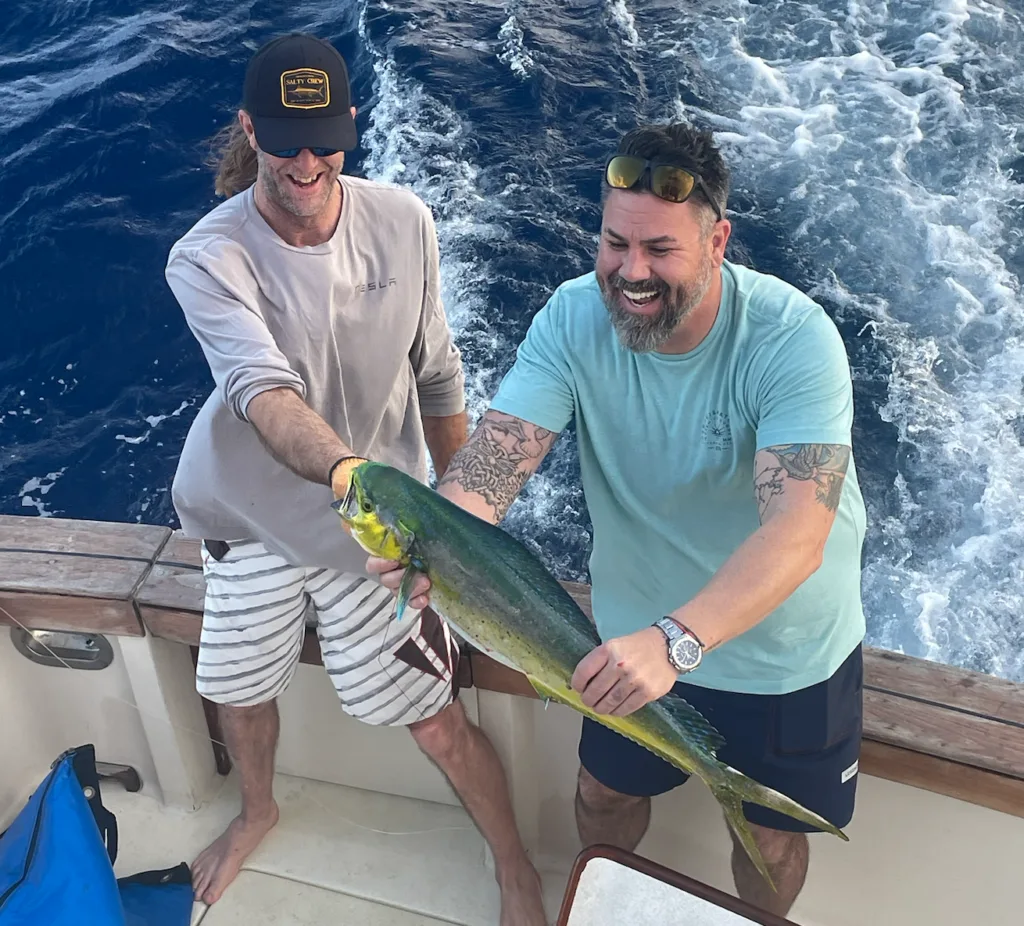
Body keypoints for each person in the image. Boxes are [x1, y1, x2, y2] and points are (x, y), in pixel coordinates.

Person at [369, 121, 867, 918]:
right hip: (626, 643)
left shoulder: (791, 339)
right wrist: (434, 542)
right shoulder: (573, 319)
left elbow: (797, 534)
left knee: (770, 839)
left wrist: (675, 642)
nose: (631, 272)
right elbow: (493, 464)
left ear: (717, 243)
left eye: (660, 249)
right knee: (602, 794)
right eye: (615, 243)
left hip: (781, 652)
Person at [165, 32, 546, 925]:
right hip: (252, 518)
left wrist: (461, 520)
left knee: (434, 717)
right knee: (236, 694)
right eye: (284, 142)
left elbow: (439, 377)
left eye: (324, 141)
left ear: (351, 126)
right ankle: (257, 812)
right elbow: (264, 396)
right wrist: (350, 474)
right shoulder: (206, 257)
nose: (306, 164)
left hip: (381, 534)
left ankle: (514, 863)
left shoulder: (404, 219)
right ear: (249, 130)